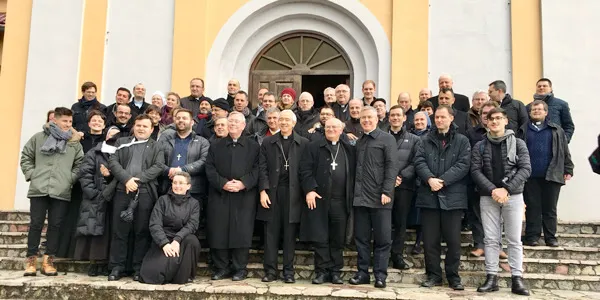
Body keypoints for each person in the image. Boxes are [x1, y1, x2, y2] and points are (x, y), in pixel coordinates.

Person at [471, 107, 532, 296]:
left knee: (514, 239)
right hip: (488, 197)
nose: (495, 121)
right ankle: (491, 277)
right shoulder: (479, 146)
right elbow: (475, 171)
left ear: (506, 121)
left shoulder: (519, 143)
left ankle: (517, 279)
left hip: (513, 196)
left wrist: (506, 189)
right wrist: (493, 190)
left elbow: (525, 169)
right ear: (486, 123)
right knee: (490, 239)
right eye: (491, 119)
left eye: (499, 118)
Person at [20, 107, 84, 276]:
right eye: (65, 121)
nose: (68, 125)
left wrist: (69, 179)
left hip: (61, 190)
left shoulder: (74, 143)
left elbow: (80, 164)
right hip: (39, 189)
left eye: (70, 122)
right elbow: (26, 156)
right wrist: (32, 174)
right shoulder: (38, 138)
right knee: (36, 225)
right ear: (54, 120)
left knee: (55, 226)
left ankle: (49, 261)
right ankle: (31, 261)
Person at [414, 105, 471, 290]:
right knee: (430, 241)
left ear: (451, 118)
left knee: (453, 241)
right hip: (429, 196)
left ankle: (453, 277)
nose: (439, 120)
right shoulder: (424, 140)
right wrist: (430, 179)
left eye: (443, 117)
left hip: (453, 198)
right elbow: (419, 161)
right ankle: (433, 275)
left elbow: (463, 164)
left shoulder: (462, 141)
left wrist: (443, 181)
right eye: (437, 117)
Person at [107, 114, 165, 281]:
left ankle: (138, 268)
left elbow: (159, 166)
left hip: (145, 192)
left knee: (141, 231)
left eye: (145, 126)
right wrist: (126, 179)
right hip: (122, 191)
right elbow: (113, 162)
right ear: (134, 126)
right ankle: (117, 267)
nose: (141, 128)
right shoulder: (122, 142)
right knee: (120, 231)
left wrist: (137, 180)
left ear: (151, 129)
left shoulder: (157, 146)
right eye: (138, 125)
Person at [299, 118, 355, 285]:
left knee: (337, 238)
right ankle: (321, 272)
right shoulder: (313, 146)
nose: (331, 129)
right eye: (328, 127)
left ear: (341, 130)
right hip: (320, 199)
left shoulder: (348, 148)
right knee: (320, 237)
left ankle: (335, 271)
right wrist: (310, 190)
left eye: (334, 127)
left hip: (341, 200)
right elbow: (305, 170)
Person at [205, 112, 260, 281]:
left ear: (244, 126)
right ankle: (221, 267)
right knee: (218, 230)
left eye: (237, 122)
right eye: (230, 121)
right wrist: (222, 183)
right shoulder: (215, 145)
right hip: (220, 194)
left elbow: (259, 168)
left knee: (241, 232)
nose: (233, 124)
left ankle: (239, 268)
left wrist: (244, 183)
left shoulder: (254, 146)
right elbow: (209, 168)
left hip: (244, 196)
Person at [349, 106, 398, 289]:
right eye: (363, 118)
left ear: (377, 118)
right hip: (361, 198)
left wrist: (387, 191)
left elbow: (392, 167)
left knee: (383, 239)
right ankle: (362, 273)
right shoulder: (360, 141)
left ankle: (380, 275)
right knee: (361, 238)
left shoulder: (387, 139)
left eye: (369, 117)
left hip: (380, 198)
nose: (366, 120)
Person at [258, 110, 308, 283]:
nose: (284, 122)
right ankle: (270, 271)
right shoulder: (267, 142)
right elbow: (262, 168)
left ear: (294, 123)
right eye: (281, 119)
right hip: (272, 192)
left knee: (289, 234)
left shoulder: (303, 143)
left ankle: (288, 271)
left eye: (287, 120)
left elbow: (306, 171)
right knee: (270, 233)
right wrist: (262, 191)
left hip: (293, 194)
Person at [517, 100, 574, 247]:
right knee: (532, 207)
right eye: (533, 110)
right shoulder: (522, 130)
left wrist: (568, 168)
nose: (536, 111)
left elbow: (564, 151)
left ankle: (551, 238)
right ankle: (532, 237)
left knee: (550, 208)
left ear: (546, 112)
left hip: (552, 174)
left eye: (539, 109)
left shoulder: (557, 130)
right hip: (529, 176)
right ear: (529, 113)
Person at [56, 110, 107, 259]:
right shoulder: (79, 139)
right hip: (77, 184)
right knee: (73, 216)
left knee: (91, 218)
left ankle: (87, 253)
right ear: (89, 123)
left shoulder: (106, 142)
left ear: (104, 125)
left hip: (96, 185)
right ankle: (67, 251)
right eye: (94, 120)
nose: (97, 123)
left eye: (100, 121)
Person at [139, 171, 201, 284]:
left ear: (188, 186)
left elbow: (192, 225)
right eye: (175, 182)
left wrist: (177, 240)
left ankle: (183, 276)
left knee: (193, 241)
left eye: (181, 183)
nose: (177, 186)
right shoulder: (162, 200)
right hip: (164, 238)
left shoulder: (194, 203)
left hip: (182, 239)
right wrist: (164, 243)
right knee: (152, 274)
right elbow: (155, 224)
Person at [73, 128, 119, 276]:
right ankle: (93, 263)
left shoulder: (120, 153)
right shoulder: (94, 152)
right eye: (111, 134)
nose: (113, 137)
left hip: (113, 198)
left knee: (110, 232)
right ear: (106, 136)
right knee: (95, 230)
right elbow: (85, 173)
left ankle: (106, 263)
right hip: (95, 197)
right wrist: (93, 192)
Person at [160, 109, 210, 226]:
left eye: (184, 118)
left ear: (192, 122)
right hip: (168, 188)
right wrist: (168, 170)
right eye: (178, 118)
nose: (181, 120)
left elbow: (204, 162)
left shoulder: (202, 142)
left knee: (191, 226)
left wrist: (182, 170)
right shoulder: (165, 140)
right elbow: (157, 161)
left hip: (193, 190)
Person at [465, 101, 501, 258]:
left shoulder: (505, 134)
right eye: (484, 114)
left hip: (499, 181)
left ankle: (498, 246)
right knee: (476, 214)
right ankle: (479, 244)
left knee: (499, 215)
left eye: (490, 114)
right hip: (477, 179)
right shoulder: (472, 133)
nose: (487, 117)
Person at [387, 105, 421, 270]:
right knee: (384, 223)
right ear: (388, 118)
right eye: (392, 115)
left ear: (404, 118)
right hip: (384, 188)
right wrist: (389, 179)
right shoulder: (381, 137)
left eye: (398, 115)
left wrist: (400, 177)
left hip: (405, 187)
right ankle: (383, 255)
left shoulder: (414, 139)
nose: (395, 118)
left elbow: (417, 162)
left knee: (401, 224)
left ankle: (397, 256)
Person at [529, 78, 575, 143]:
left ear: (551, 88)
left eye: (544, 86)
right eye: (539, 86)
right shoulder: (529, 107)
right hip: (535, 144)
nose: (541, 88)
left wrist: (563, 142)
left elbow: (569, 126)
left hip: (555, 145)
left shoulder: (561, 104)